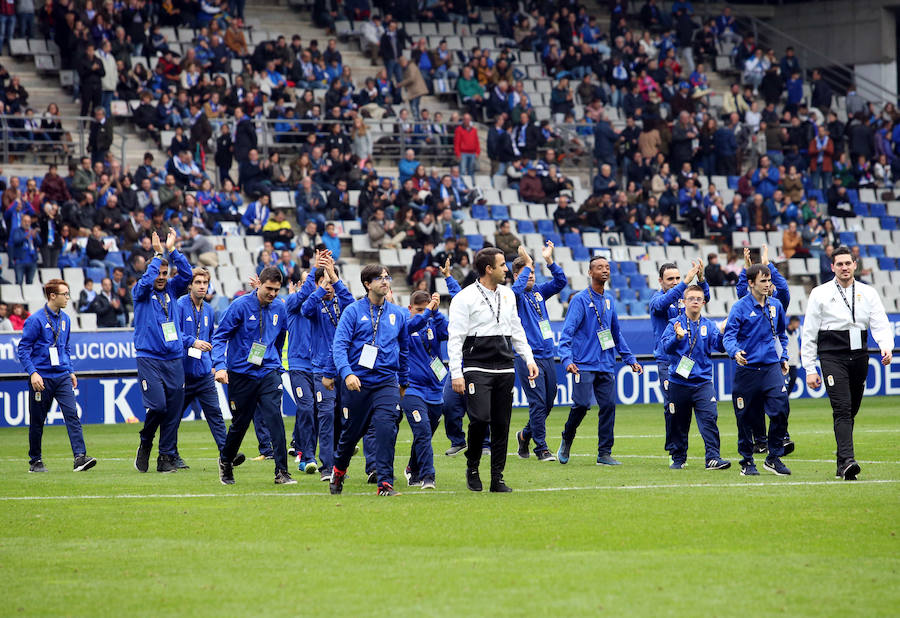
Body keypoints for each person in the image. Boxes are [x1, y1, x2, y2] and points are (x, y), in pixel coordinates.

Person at [447, 248, 537, 492]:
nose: (506, 269)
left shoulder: (508, 295)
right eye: (502, 265)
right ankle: (473, 466)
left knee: (501, 424)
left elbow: (516, 329)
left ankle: (497, 478)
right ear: (489, 269)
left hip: (505, 367)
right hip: (477, 366)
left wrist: (528, 358)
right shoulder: (464, 298)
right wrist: (456, 373)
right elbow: (455, 338)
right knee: (479, 420)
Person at [801, 246, 894, 481]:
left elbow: (880, 323)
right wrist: (810, 368)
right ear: (832, 267)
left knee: (851, 410)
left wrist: (886, 346)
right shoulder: (819, 293)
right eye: (839, 264)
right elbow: (809, 333)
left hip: (860, 354)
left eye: (848, 263)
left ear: (855, 265)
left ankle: (841, 461)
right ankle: (849, 460)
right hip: (832, 355)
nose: (844, 267)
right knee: (842, 408)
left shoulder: (868, 292)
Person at [330, 264, 410, 496]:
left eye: (387, 277)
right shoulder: (353, 312)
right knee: (351, 433)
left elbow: (403, 349)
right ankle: (339, 470)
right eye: (379, 278)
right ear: (367, 284)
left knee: (386, 429)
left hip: (386, 381)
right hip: (358, 381)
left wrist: (403, 380)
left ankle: (385, 483)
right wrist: (347, 373)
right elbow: (339, 346)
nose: (385, 282)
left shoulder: (398, 314)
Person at [212, 266, 295, 486]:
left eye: (277, 290)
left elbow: (280, 338)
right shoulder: (239, 306)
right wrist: (219, 366)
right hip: (241, 374)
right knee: (240, 423)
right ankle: (226, 460)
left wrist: (275, 362)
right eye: (269, 288)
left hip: (268, 371)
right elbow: (220, 337)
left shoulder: (280, 307)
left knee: (275, 420)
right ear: (259, 283)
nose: (273, 294)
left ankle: (282, 472)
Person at [557, 255, 643, 466]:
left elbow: (615, 332)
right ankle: (567, 437)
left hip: (605, 362)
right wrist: (567, 358)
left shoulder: (609, 299)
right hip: (583, 363)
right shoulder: (579, 300)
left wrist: (629, 358)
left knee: (608, 406)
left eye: (607, 267)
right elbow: (567, 332)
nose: (604, 270)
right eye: (599, 267)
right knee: (582, 405)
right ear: (590, 272)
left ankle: (604, 453)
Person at [16, 279, 97, 473]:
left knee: (72, 415)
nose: (68, 298)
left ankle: (80, 457)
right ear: (53, 296)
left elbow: (65, 348)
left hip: (61, 376)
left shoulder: (66, 319)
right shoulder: (35, 320)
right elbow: (23, 349)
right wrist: (33, 373)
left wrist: (70, 370)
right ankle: (35, 460)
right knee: (38, 420)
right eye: (65, 294)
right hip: (41, 378)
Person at [133, 231, 193, 474]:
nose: (161, 277)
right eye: (157, 272)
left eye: (164, 273)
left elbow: (188, 275)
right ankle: (146, 441)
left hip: (174, 358)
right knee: (157, 407)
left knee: (173, 411)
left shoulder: (172, 289)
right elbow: (147, 282)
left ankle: (166, 458)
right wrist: (158, 254)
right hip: (150, 358)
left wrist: (172, 250)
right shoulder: (141, 292)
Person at [723, 264, 791, 477]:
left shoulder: (776, 305)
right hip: (748, 368)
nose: (767, 284)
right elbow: (729, 336)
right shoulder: (739, 307)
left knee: (781, 409)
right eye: (763, 280)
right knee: (745, 417)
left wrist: (784, 356)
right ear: (751, 283)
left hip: (771, 366)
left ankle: (773, 457)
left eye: (769, 280)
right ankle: (747, 461)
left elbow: (781, 334)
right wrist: (735, 352)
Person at [176, 268, 245, 470]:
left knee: (215, 414)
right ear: (190, 285)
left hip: (204, 373)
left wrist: (216, 364)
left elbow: (214, 338)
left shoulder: (208, 310)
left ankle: (227, 454)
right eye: (198, 282)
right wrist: (192, 342)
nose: (202, 286)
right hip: (182, 373)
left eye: (205, 283)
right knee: (174, 418)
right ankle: (170, 454)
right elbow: (173, 334)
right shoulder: (179, 305)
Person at [659, 285, 731, 470]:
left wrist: (722, 331)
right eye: (691, 298)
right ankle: (678, 458)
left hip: (702, 382)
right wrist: (677, 337)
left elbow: (720, 347)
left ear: (704, 302)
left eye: (699, 299)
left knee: (709, 418)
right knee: (679, 423)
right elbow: (665, 348)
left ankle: (713, 458)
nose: (695, 302)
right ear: (683, 302)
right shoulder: (674, 323)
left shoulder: (708, 325)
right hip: (678, 382)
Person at [511, 242, 568, 462]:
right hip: (528, 357)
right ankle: (541, 448)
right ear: (517, 275)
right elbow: (516, 290)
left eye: (533, 272)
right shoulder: (513, 295)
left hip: (546, 355)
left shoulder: (538, 292)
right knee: (537, 402)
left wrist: (549, 261)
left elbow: (561, 282)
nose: (531, 276)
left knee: (548, 402)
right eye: (527, 272)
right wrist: (527, 266)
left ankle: (525, 435)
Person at [302, 253, 356, 482]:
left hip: (345, 369)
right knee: (325, 416)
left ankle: (340, 463)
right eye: (323, 282)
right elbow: (304, 309)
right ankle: (327, 467)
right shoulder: (315, 304)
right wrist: (320, 287)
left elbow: (352, 303)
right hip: (321, 368)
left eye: (331, 283)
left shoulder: (342, 304)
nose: (329, 287)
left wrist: (334, 277)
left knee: (346, 418)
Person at [648, 259, 709, 459]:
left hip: (689, 359)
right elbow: (663, 304)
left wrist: (701, 280)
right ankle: (675, 448)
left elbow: (704, 297)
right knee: (671, 404)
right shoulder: (656, 300)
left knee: (685, 404)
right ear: (660, 281)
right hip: (668, 360)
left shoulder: (684, 299)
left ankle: (674, 445)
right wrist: (685, 282)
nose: (675, 282)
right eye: (670, 279)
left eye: (677, 278)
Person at [401, 291, 448, 489]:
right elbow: (414, 324)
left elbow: (448, 333)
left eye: (427, 308)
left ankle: (413, 468)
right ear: (410, 309)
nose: (424, 313)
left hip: (435, 389)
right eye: (420, 310)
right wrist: (427, 312)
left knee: (425, 434)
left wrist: (436, 313)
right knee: (422, 429)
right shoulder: (404, 326)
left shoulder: (434, 324)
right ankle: (429, 476)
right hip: (411, 388)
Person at [283, 258, 322, 477]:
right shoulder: (292, 303)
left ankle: (304, 452)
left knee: (316, 412)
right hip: (297, 366)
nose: (312, 286)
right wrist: (316, 267)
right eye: (307, 282)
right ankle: (307, 457)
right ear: (299, 286)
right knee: (306, 407)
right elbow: (308, 291)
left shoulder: (318, 307)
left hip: (317, 367)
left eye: (314, 282)